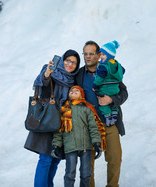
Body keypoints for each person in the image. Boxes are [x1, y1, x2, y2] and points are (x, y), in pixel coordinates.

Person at [24, 49, 81, 187]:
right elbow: (41, 85)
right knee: (45, 159)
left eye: (74, 62)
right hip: (47, 119)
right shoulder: (51, 71)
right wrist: (47, 74)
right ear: (62, 60)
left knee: (55, 160)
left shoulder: (74, 80)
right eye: (68, 60)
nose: (70, 64)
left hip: (62, 124)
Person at [76, 41, 128, 187]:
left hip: (109, 122)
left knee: (115, 159)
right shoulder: (79, 74)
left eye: (91, 53)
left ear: (99, 55)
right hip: (88, 126)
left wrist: (111, 99)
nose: (87, 56)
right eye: (85, 53)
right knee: (87, 164)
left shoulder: (110, 69)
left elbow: (124, 92)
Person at [51, 86, 103, 187]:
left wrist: (96, 142)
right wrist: (56, 145)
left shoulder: (87, 109)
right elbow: (59, 131)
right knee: (70, 174)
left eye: (77, 90)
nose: (74, 92)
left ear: (82, 94)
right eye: (71, 91)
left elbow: (93, 127)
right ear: (68, 95)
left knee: (86, 174)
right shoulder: (64, 110)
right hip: (70, 146)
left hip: (86, 146)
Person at [92, 40, 125, 126]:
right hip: (115, 89)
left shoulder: (103, 67)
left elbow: (99, 78)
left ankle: (108, 116)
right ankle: (114, 112)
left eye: (103, 54)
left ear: (109, 55)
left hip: (106, 89)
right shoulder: (117, 64)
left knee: (102, 103)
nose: (101, 56)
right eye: (101, 54)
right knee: (113, 105)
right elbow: (123, 70)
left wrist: (95, 86)